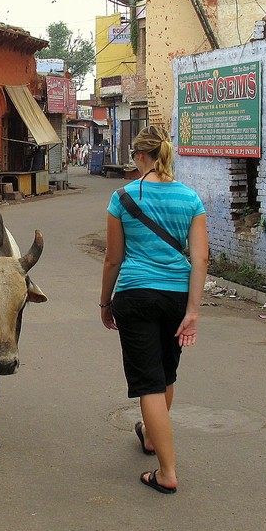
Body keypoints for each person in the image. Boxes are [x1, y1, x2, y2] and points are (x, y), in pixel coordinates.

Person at [99, 125, 207, 496]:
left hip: (135, 295)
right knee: (164, 375)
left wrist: (105, 301)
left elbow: (113, 258)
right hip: (176, 297)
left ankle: (167, 472)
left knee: (148, 383)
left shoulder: (124, 197)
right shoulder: (191, 198)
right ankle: (149, 435)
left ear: (141, 157)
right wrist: (193, 310)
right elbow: (200, 257)